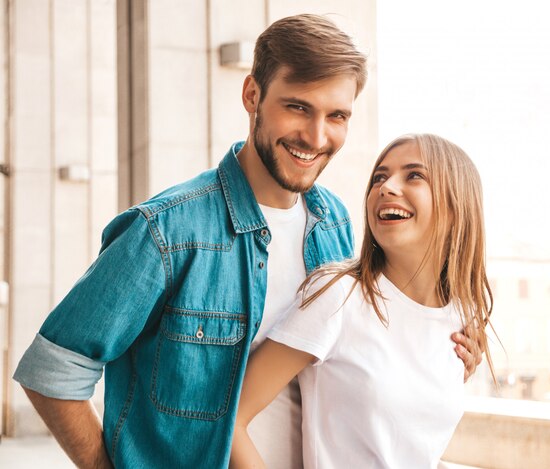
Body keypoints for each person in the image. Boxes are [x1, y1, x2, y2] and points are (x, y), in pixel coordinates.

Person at [13, 14, 480, 469]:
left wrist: (444, 348)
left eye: (336, 115)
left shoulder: (333, 220)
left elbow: (361, 344)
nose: (316, 137)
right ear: (252, 95)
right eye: (298, 107)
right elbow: (52, 370)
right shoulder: (168, 230)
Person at [230, 133, 496, 469]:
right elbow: (233, 418)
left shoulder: (462, 317)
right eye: (379, 178)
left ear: (458, 207)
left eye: (414, 175)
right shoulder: (338, 296)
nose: (386, 187)